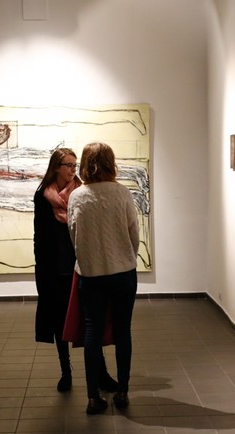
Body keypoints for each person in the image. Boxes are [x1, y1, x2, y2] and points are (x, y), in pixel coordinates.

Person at [33, 147, 117, 393]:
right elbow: (39, 236)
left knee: (90, 322)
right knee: (59, 322)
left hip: (80, 266)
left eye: (74, 164)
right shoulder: (43, 195)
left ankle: (101, 373)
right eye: (68, 165)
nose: (72, 169)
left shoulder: (82, 193)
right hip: (54, 269)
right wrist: (41, 269)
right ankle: (65, 372)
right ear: (56, 168)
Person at [67, 142, 139, 414]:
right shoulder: (121, 193)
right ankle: (123, 391)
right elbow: (133, 233)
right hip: (123, 272)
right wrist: (126, 256)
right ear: (111, 163)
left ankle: (92, 397)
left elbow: (73, 235)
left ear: (85, 164)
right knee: (123, 330)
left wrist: (87, 258)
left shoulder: (77, 196)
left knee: (92, 332)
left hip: (91, 274)